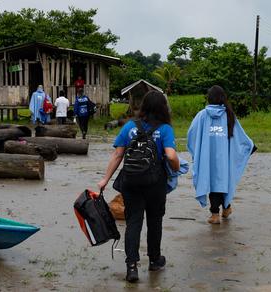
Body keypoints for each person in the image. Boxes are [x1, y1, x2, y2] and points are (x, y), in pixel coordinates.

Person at [97, 91, 179, 282]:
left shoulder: (130, 127)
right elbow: (171, 155)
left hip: (130, 181)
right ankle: (154, 260)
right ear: (163, 108)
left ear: (144, 106)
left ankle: (132, 267)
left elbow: (117, 155)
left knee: (133, 222)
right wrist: (175, 169)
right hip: (154, 182)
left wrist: (105, 180)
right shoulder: (165, 129)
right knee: (154, 220)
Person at [187, 85, 254, 224]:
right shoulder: (228, 115)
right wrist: (249, 146)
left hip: (207, 159)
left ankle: (215, 214)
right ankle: (226, 207)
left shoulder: (202, 115)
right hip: (224, 160)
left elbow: (191, 135)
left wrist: (197, 152)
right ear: (223, 98)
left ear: (209, 98)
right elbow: (241, 137)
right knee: (222, 182)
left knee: (212, 183)